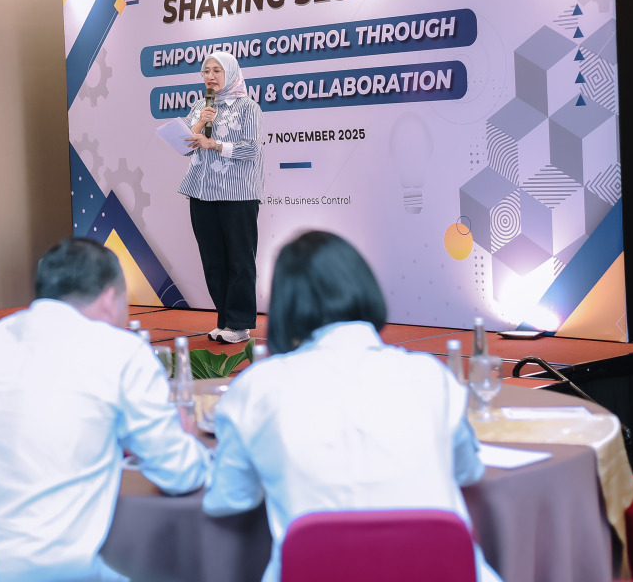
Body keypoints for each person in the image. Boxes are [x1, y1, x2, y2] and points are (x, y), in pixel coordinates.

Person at [202, 231, 503, 582]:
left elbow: (226, 499)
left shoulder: (258, 387)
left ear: (285, 306)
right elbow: (469, 472)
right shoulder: (430, 375)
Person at [0, 237, 210, 582]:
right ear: (110, 298)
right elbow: (180, 474)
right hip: (52, 569)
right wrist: (187, 441)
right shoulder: (120, 352)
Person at [180, 50, 264, 344]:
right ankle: (226, 321)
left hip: (237, 194)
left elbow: (250, 149)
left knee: (240, 260)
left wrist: (214, 144)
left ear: (230, 73)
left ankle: (240, 324)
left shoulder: (248, 107)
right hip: (201, 193)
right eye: (206, 71)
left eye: (217, 71)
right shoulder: (200, 106)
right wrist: (199, 124)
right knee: (213, 261)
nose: (210, 77)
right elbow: (184, 146)